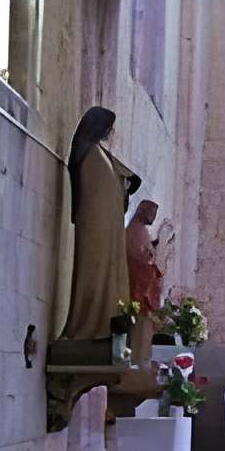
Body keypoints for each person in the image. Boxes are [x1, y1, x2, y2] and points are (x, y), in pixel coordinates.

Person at [57, 107, 141, 344]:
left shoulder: (99, 153)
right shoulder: (89, 154)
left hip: (107, 229)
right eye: (108, 127)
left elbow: (117, 180)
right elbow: (96, 191)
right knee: (93, 273)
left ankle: (103, 325)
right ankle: (88, 327)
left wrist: (126, 184)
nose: (110, 131)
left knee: (106, 275)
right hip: (95, 228)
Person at [125, 199, 169, 361]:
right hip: (137, 289)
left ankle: (140, 364)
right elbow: (135, 258)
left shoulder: (142, 231)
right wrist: (149, 257)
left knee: (144, 333)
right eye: (152, 213)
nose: (154, 217)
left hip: (143, 286)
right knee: (138, 332)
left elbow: (145, 253)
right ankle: (136, 365)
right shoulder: (135, 231)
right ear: (143, 211)